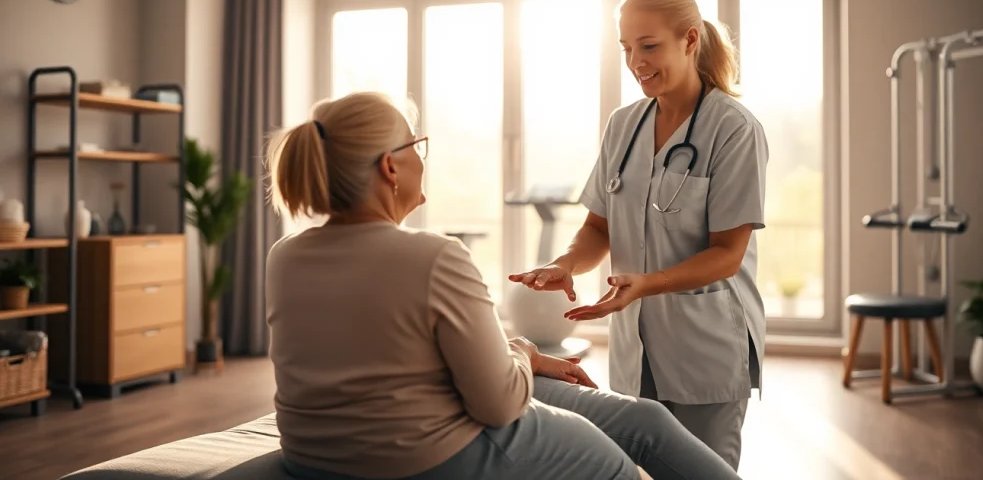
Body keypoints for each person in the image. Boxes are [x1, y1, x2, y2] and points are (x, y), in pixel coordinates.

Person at [261, 91, 743, 480]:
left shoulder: (284, 257)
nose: (421, 159)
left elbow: (383, 359)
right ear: (390, 166)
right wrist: (524, 354)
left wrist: (513, 353)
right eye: (416, 146)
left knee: (645, 420)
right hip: (423, 457)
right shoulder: (433, 256)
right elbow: (498, 404)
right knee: (616, 462)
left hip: (315, 454)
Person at [509, 0, 768, 471]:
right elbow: (599, 230)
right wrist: (566, 264)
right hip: (636, 345)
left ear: (690, 40)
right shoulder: (623, 125)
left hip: (705, 342)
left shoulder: (733, 128)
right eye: (627, 48)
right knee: (639, 469)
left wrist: (646, 284)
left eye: (649, 46)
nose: (636, 61)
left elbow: (727, 253)